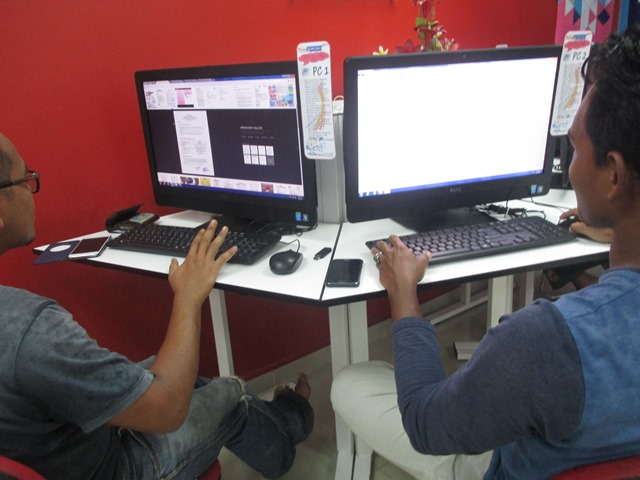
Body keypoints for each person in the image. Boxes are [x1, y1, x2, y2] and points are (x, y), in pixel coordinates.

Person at [331, 25, 640, 480]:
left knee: (348, 383)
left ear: (614, 175)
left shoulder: (546, 340)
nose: (570, 167)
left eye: (574, 147)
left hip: (512, 466)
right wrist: (617, 231)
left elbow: (425, 424)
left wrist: (404, 298)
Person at [0, 132, 313, 479]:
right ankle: (288, 441)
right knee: (230, 391)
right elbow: (167, 411)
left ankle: (285, 419)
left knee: (179, 375)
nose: (31, 189)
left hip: (66, 447)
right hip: (118, 468)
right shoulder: (32, 330)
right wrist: (189, 296)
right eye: (25, 179)